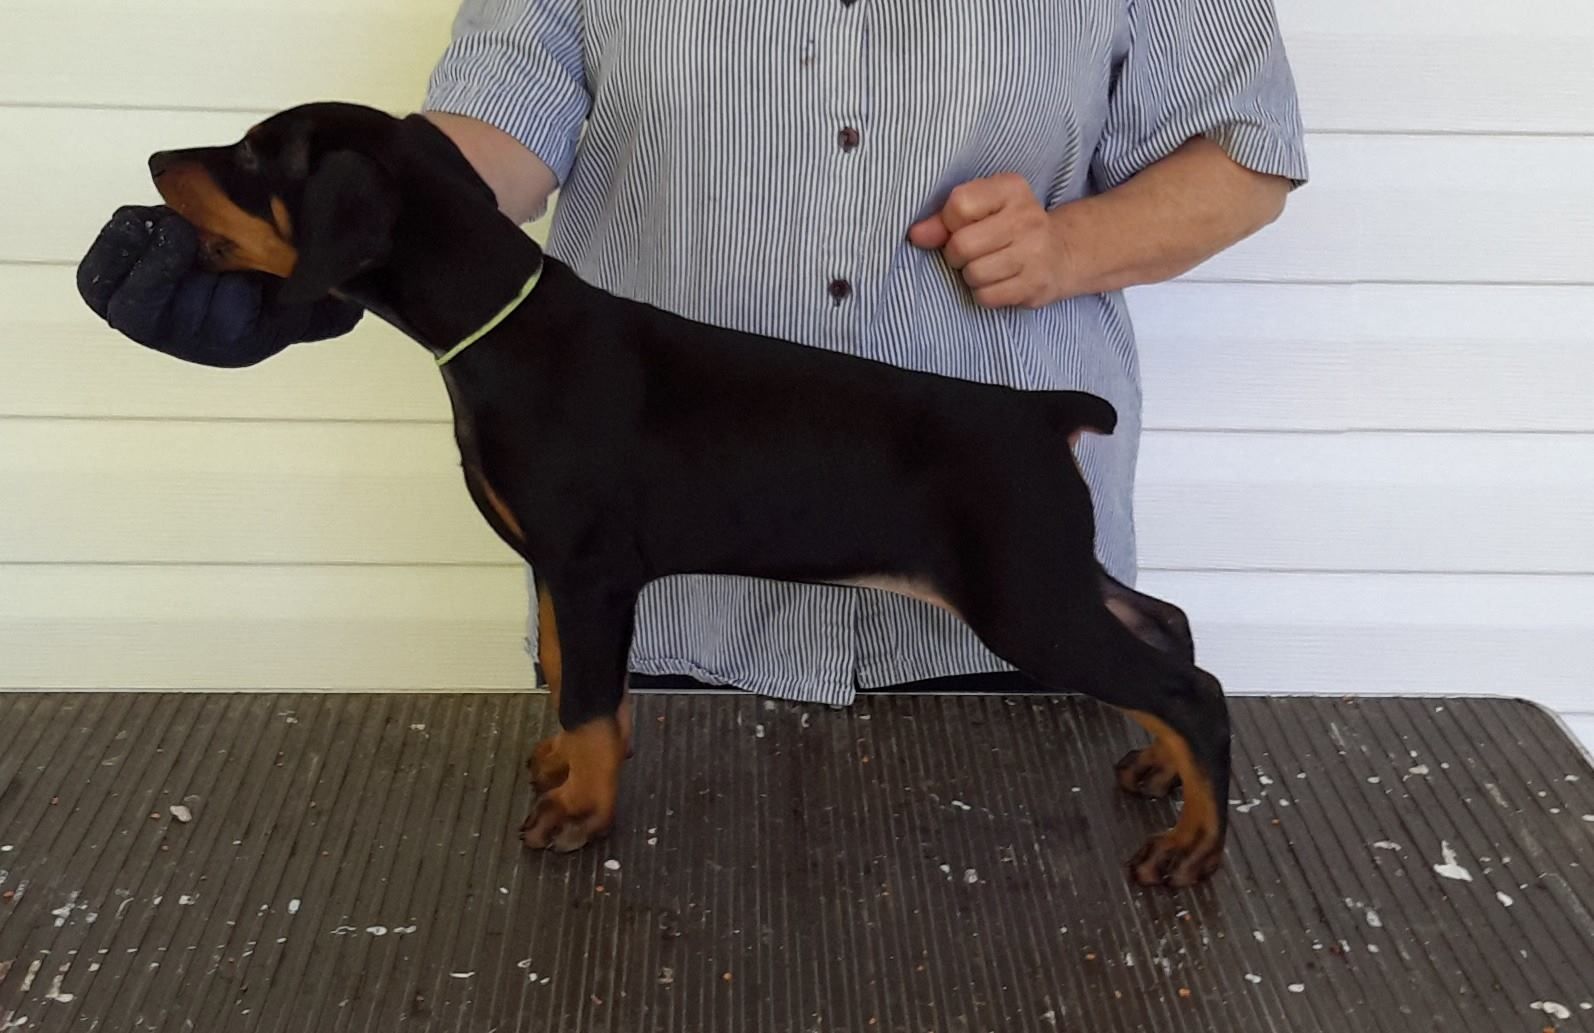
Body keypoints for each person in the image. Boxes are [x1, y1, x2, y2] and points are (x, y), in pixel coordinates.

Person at [77, 1, 1308, 707]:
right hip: (670, 618)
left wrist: (1071, 243)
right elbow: (489, 141)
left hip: (995, 564)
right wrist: (319, 249)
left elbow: (1245, 150)